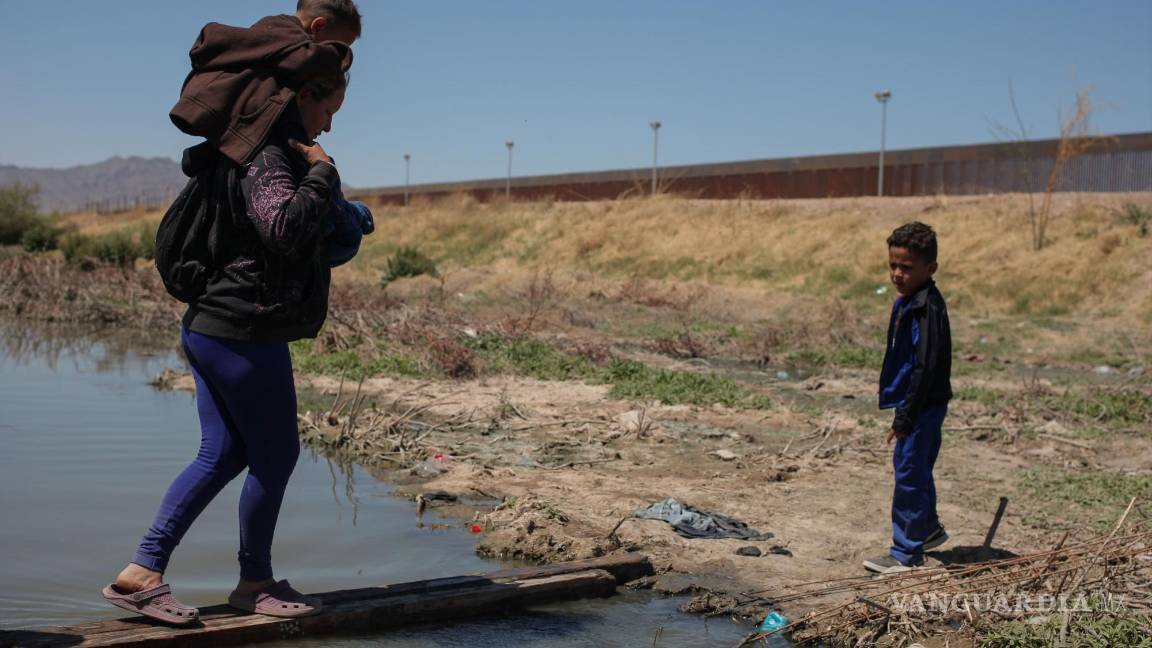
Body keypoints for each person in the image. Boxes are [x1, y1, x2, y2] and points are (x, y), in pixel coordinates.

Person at [102, 62, 361, 625]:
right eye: (328, 112)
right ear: (307, 97)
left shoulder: (251, 153)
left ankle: (139, 575)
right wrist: (322, 172)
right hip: (243, 330)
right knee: (277, 454)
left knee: (221, 452)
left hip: (212, 327)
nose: (328, 128)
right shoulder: (268, 158)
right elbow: (284, 228)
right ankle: (255, 582)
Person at [863, 222, 953, 575]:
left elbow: (926, 367)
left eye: (906, 267)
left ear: (930, 269)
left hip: (922, 404)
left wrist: (905, 418)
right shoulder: (912, 300)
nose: (897, 274)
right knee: (917, 467)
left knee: (909, 474)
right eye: (893, 265)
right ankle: (927, 528)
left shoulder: (926, 308)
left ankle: (906, 553)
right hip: (920, 402)